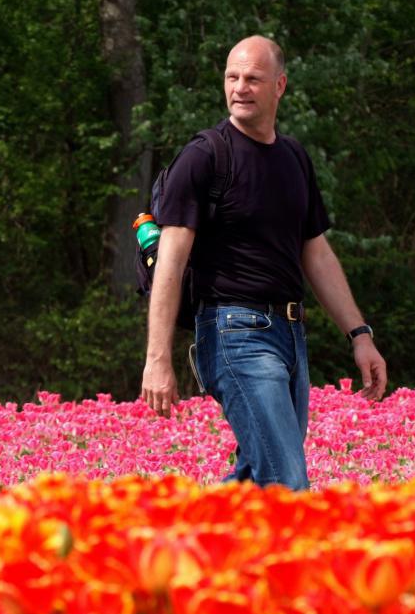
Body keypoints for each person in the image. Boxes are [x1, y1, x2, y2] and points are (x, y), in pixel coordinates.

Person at [140, 35, 387, 490]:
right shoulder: (204, 156)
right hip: (234, 333)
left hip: (290, 334)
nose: (240, 88)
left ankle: (179, 528)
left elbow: (317, 252)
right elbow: (169, 265)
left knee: (257, 479)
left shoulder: (294, 157)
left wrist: (359, 334)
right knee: (286, 483)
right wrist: (157, 358)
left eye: (253, 78)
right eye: (232, 77)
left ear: (280, 85)